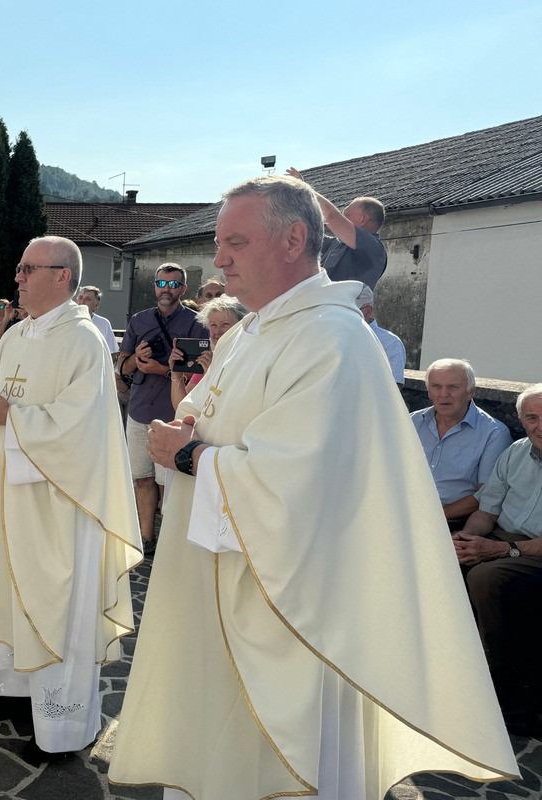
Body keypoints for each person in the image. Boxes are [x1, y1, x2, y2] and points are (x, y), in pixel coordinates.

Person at [108, 175, 518, 798]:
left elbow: (296, 484)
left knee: (279, 765)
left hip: (288, 607)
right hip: (222, 581)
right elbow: (216, 407)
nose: (217, 259)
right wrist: (190, 422)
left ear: (294, 238)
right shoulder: (251, 330)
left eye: (235, 242)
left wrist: (188, 454)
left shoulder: (331, 338)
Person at [0, 235, 142, 759]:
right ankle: (9, 688)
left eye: (28, 269)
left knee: (57, 602)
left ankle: (63, 723)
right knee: (6, 586)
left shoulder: (84, 341)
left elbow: (82, 428)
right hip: (5, 492)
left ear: (62, 277)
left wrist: (14, 418)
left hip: (58, 502)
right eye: (20, 267)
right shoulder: (16, 335)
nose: (18, 277)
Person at [453, 384, 542, 736]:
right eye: (532, 418)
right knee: (447, 558)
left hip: (534, 549)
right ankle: (449, 668)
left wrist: (502, 550)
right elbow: (487, 510)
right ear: (521, 420)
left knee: (483, 578)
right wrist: (467, 537)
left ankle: (497, 679)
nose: (539, 425)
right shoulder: (517, 451)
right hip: (504, 536)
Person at [117, 263, 208, 550]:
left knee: (167, 485)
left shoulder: (197, 323)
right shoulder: (139, 320)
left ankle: (170, 542)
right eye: (161, 284)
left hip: (173, 414)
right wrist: (137, 359)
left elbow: (197, 376)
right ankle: (146, 538)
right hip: (140, 408)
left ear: (182, 288)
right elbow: (123, 365)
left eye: (173, 284)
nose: (166, 290)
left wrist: (161, 370)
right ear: (154, 286)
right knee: (142, 478)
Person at [411, 358, 512, 530]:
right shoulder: (411, 422)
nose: (443, 394)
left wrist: (431, 516)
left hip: (449, 522)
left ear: (470, 391)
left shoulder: (494, 433)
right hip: (401, 511)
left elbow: (486, 496)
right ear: (428, 392)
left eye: (453, 387)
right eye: (436, 386)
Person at [287, 167, 387, 289]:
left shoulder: (373, 248)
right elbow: (305, 233)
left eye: (346, 215)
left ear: (363, 219)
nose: (342, 218)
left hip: (343, 307)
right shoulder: (335, 244)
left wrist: (303, 189)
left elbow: (331, 216)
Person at [167, 295, 246, 407]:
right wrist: (176, 373)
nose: (218, 331)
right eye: (213, 325)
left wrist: (211, 375)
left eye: (225, 324)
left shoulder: (246, 358)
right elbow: (181, 407)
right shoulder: (209, 359)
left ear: (240, 325)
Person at [355, 284, 405, 385]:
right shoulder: (336, 336)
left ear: (368, 311)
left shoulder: (390, 344)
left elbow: (393, 389)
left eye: (352, 310)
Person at [76, 285, 119, 355]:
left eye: (88, 299)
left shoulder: (103, 324)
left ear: (96, 304)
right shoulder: (68, 320)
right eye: (80, 298)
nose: (82, 302)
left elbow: (112, 353)